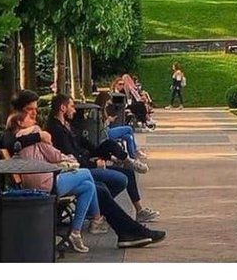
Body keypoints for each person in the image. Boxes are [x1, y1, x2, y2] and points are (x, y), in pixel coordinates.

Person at [48, 95, 160, 226]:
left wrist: (104, 155)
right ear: (62, 108)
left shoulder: (68, 125)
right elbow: (71, 155)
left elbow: (86, 144)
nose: (74, 110)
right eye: (72, 107)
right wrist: (94, 163)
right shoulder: (56, 130)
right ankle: (100, 209)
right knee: (122, 179)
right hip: (81, 168)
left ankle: (129, 163)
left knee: (111, 148)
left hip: (86, 160)